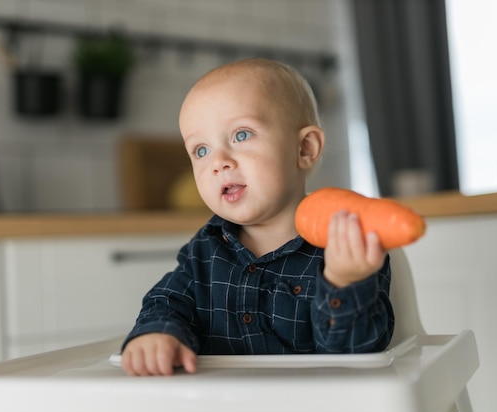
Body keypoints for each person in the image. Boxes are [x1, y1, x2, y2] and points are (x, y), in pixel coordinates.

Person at [121, 58, 394, 376]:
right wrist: (158, 333)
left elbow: (357, 360)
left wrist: (345, 282)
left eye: (240, 135)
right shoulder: (205, 251)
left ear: (304, 148)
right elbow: (167, 302)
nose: (218, 162)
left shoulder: (345, 246)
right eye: (201, 150)